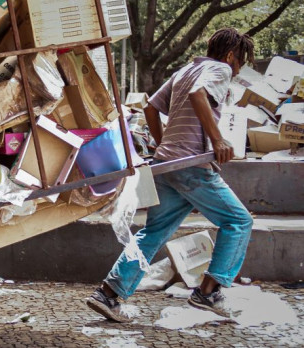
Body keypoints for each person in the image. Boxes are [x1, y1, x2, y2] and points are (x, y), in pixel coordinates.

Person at [85, 27, 255, 322]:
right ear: (230, 56)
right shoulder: (219, 69)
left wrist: (164, 144)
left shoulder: (188, 69)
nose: (237, 70)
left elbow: (151, 107)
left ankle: (108, 294)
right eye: (239, 63)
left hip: (168, 165)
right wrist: (217, 139)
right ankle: (208, 293)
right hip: (191, 166)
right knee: (239, 221)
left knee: (153, 232)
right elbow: (198, 94)